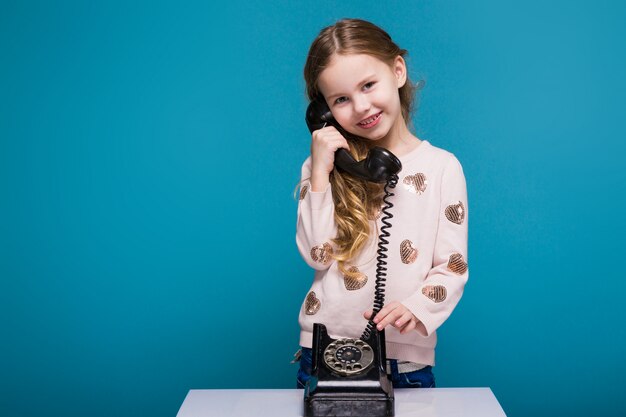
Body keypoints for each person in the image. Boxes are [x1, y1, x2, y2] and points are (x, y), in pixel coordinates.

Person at [294, 18, 468, 389]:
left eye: (368, 85)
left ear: (398, 71)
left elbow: (452, 267)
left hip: (404, 357)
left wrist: (418, 307)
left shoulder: (442, 168)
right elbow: (317, 255)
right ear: (323, 113)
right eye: (341, 99)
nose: (360, 106)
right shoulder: (321, 166)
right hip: (324, 349)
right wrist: (322, 174)